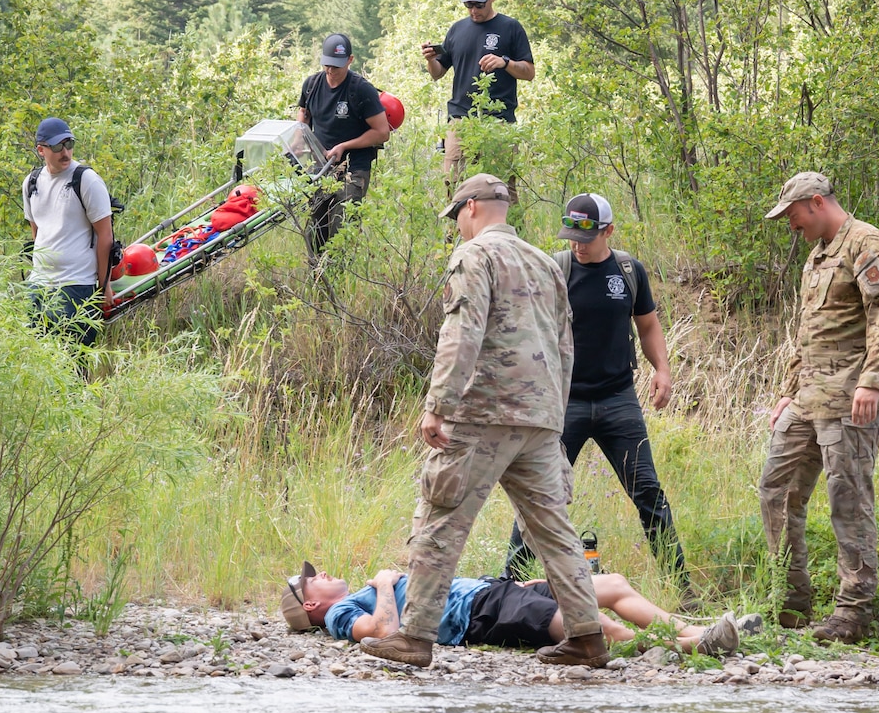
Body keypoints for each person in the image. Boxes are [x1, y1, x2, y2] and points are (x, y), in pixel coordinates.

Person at [360, 172, 609, 671]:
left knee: (440, 521)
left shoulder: (476, 256)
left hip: (483, 413)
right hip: (539, 418)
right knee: (554, 531)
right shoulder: (546, 263)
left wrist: (439, 405)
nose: (457, 227)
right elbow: (565, 347)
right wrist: (554, 421)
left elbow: (462, 333)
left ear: (471, 207)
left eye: (456, 217)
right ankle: (586, 635)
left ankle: (416, 636)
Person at [505, 192, 697, 606]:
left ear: (608, 230)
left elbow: (647, 325)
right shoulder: (555, 269)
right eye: (571, 235)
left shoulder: (628, 271)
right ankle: (508, 587)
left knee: (648, 493)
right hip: (563, 404)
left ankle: (683, 592)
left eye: (586, 236)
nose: (577, 243)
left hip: (618, 400)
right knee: (540, 494)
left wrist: (662, 369)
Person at [758, 171, 879, 642]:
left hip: (850, 399)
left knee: (848, 499)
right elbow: (809, 331)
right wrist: (787, 388)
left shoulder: (866, 243)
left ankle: (853, 611)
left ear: (817, 202)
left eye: (793, 215)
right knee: (776, 489)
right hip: (807, 398)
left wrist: (874, 383)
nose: (790, 225)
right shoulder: (816, 257)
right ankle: (789, 600)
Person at [280, 559, 739, 655]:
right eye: (310, 579)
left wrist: (519, 583)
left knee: (614, 583)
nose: (318, 573)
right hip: (484, 615)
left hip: (497, 592)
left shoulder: (343, 598)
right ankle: (692, 648)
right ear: (313, 604)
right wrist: (383, 584)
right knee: (589, 621)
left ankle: (693, 630)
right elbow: (383, 632)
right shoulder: (341, 616)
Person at [421, 0, 533, 198]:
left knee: (502, 189)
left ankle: (509, 232)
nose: (474, 10)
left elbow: (529, 72)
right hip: (461, 121)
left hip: (499, 122)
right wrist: (430, 59)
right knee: (454, 187)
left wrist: (505, 62)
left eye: (479, 4)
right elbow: (438, 73)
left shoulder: (511, 27)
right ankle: (454, 233)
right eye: (469, 4)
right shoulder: (457, 30)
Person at [22, 116, 115, 347]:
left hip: (76, 286)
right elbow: (37, 231)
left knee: (73, 364)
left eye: (69, 144)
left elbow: (106, 236)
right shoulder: (31, 182)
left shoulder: (86, 180)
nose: (65, 152)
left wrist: (104, 287)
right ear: (41, 150)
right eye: (57, 146)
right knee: (41, 364)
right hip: (40, 287)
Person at [296, 31, 392, 253]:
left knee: (342, 229)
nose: (331, 71)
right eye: (327, 65)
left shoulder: (361, 89)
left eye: (336, 66)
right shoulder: (311, 84)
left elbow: (381, 132)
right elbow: (304, 113)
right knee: (316, 228)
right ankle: (317, 280)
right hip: (320, 167)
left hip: (353, 168)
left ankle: (340, 281)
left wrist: (344, 146)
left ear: (350, 60)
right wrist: (299, 138)